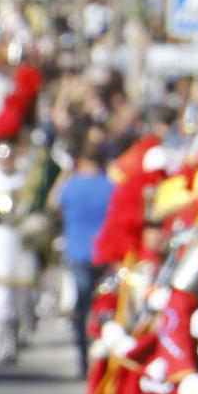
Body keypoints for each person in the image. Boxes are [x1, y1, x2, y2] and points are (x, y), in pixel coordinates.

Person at [57, 133, 115, 374]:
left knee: (81, 308)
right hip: (105, 253)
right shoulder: (111, 186)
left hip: (79, 253)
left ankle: (83, 357)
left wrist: (66, 173)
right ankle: (101, 354)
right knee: (103, 305)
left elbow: (53, 202)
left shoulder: (72, 185)